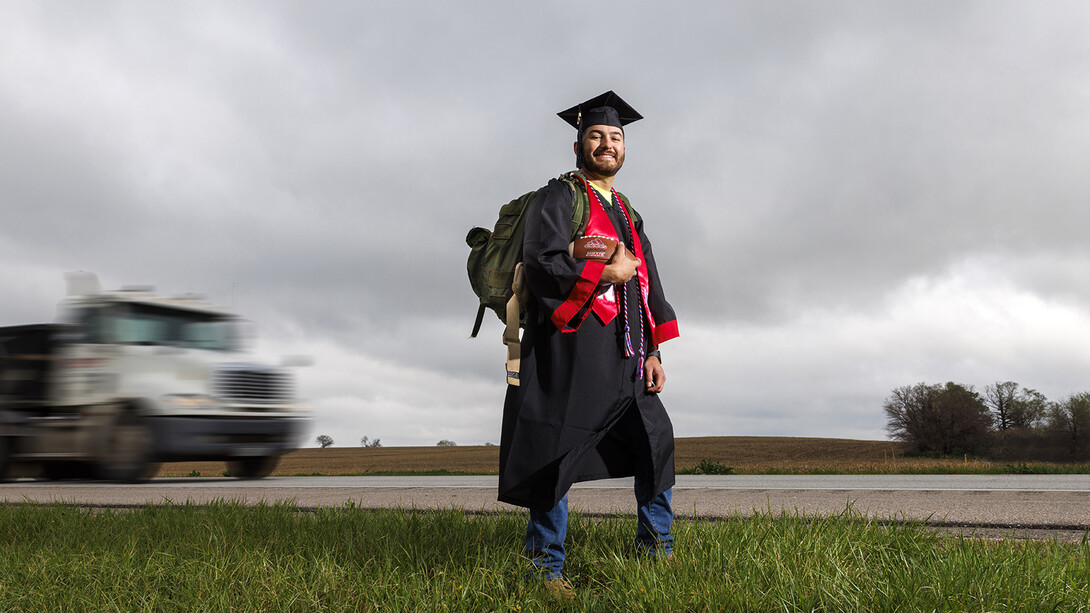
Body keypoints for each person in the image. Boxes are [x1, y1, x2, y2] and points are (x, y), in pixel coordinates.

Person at [497, 91, 680, 598]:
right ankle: (545, 569)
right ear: (578, 143)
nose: (607, 144)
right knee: (557, 450)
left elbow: (648, 281)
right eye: (597, 136)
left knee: (655, 444)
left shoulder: (626, 209)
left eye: (615, 137)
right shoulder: (558, 197)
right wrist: (605, 270)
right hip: (570, 348)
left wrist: (655, 351)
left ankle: (657, 552)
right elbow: (541, 263)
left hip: (629, 352)